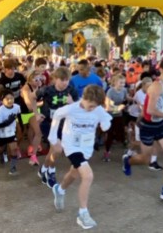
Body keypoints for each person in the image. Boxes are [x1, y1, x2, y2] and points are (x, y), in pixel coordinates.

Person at [50, 85, 112, 230]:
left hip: (86, 148)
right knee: (88, 176)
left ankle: (59, 190)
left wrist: (105, 124)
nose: (92, 109)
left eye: (95, 107)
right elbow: (57, 115)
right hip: (72, 146)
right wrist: (53, 138)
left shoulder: (98, 109)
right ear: (84, 98)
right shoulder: (71, 108)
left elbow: (106, 121)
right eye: (90, 106)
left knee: (74, 173)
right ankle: (83, 214)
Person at [122, 58, 163, 203]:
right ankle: (128, 160)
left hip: (159, 125)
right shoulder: (156, 86)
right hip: (148, 126)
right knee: (145, 159)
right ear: (161, 69)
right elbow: (150, 109)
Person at [37, 67, 78, 188]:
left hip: (63, 125)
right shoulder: (46, 90)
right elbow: (31, 97)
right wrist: (36, 113)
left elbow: (79, 108)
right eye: (62, 80)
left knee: (53, 151)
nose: (65, 82)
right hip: (48, 124)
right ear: (55, 79)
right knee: (57, 149)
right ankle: (51, 172)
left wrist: (72, 103)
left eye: (67, 80)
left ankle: (44, 168)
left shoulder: (72, 91)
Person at [0, 90, 21, 175]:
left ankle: (13, 168)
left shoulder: (17, 107)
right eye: (7, 99)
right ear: (2, 101)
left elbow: (18, 117)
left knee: (14, 149)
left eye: (11, 98)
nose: (9, 100)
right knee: (1, 148)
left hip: (10, 132)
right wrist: (8, 122)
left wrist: (20, 128)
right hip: (0, 134)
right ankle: (1, 153)